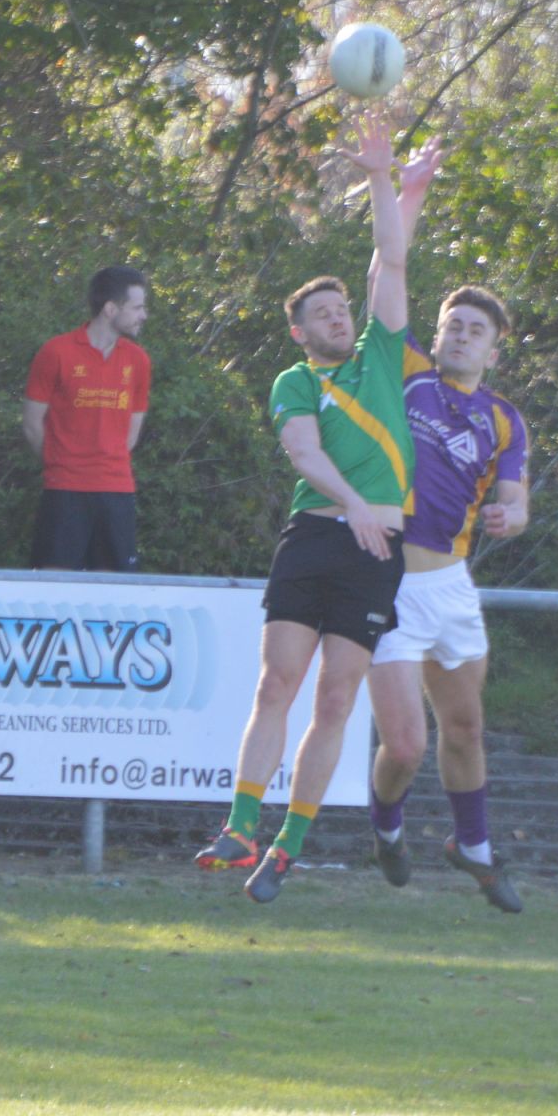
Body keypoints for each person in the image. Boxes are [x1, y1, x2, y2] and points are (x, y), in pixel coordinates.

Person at [194, 113, 415, 904]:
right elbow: (303, 454)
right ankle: (241, 821)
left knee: (335, 698)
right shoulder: (296, 382)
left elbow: (390, 258)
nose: (336, 317)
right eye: (320, 313)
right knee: (276, 682)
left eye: (339, 308)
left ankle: (288, 844)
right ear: (298, 329)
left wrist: (387, 178)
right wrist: (353, 503)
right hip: (317, 536)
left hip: (375, 548)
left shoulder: (382, 354)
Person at [362, 141, 530, 913]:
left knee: (464, 729)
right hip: (391, 580)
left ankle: (474, 845)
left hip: (453, 586)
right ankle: (387, 823)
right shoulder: (410, 377)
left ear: (494, 349)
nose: (460, 334)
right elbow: (386, 271)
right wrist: (408, 192)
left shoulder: (503, 420)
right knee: (406, 745)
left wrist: (510, 513)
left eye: (474, 329)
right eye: (452, 324)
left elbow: (517, 500)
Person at [22, 266, 152, 571]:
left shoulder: (138, 361)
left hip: (117, 490)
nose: (143, 315)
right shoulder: (56, 352)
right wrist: (62, 462)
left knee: (116, 592)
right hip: (64, 489)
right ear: (110, 308)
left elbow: (130, 434)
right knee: (53, 585)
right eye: (137, 307)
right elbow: (31, 424)